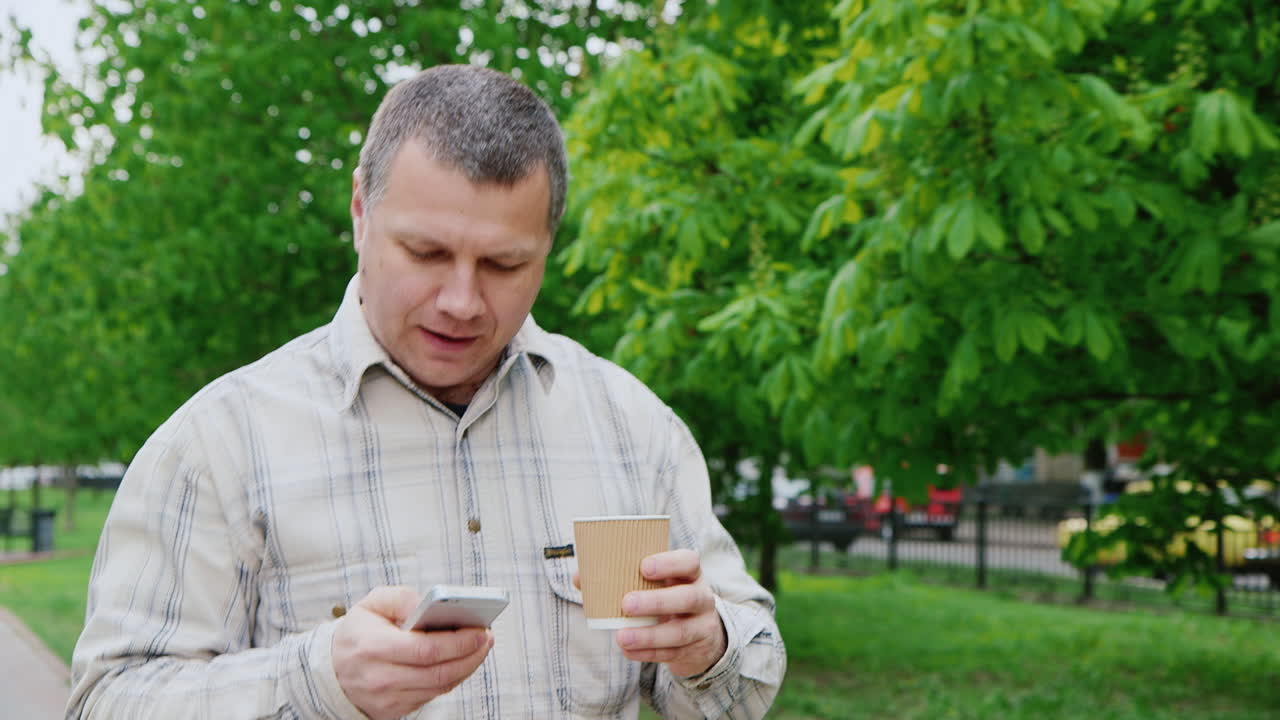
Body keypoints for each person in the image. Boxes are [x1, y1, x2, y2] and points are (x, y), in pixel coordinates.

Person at [68, 64, 785, 719]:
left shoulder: (631, 427)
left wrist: (708, 645)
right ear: (359, 212)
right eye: (427, 253)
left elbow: (743, 686)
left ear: (547, 248)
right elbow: (106, 701)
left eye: (505, 263)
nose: (462, 302)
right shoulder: (217, 444)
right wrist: (315, 680)